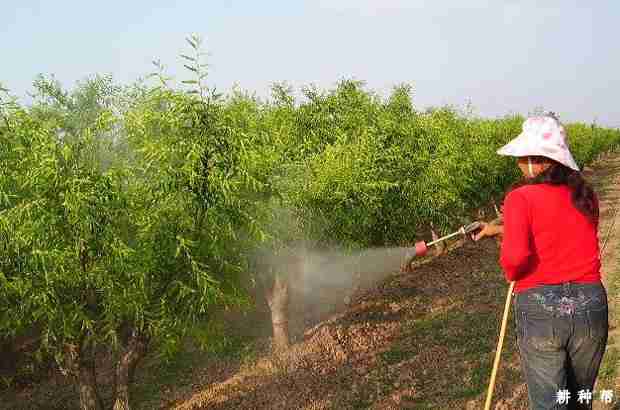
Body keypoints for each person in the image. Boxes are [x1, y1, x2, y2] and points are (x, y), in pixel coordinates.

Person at [473, 113, 608, 410]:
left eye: (522, 157)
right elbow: (557, 230)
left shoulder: (521, 198)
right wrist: (497, 229)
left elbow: (515, 259)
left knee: (550, 404)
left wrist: (508, 255)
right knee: (577, 400)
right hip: (590, 304)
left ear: (539, 160)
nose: (519, 164)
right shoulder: (585, 195)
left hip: (542, 308)